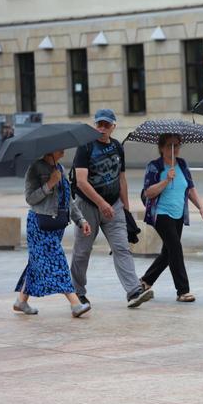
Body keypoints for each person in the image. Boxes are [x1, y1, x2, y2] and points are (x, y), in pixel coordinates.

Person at [70, 108, 153, 308]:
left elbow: (121, 178)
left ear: (113, 127)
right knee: (82, 251)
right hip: (88, 206)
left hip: (113, 204)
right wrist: (101, 203)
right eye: (99, 124)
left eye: (106, 124)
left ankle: (133, 291)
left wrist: (125, 206)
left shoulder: (117, 146)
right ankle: (78, 293)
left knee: (121, 247)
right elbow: (81, 181)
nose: (102, 128)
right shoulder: (85, 146)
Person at [13, 150, 92, 317]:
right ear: (50, 150)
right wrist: (49, 184)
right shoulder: (35, 168)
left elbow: (68, 200)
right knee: (57, 261)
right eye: (59, 147)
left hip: (56, 225)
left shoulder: (60, 168)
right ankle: (75, 303)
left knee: (36, 262)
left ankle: (21, 301)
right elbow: (30, 199)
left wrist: (81, 220)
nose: (63, 150)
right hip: (39, 225)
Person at [140, 133, 203, 302]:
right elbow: (148, 192)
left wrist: (201, 207)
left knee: (168, 252)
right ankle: (183, 291)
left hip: (178, 214)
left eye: (177, 145)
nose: (174, 149)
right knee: (176, 249)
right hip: (161, 214)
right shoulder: (154, 166)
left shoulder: (183, 164)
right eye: (170, 145)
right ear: (162, 148)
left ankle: (145, 281)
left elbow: (190, 188)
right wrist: (166, 180)